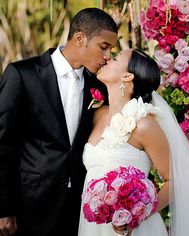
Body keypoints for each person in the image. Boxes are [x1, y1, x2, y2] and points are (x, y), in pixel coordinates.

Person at [78, 48, 189, 236]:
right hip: (92, 226)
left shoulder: (144, 125)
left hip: (135, 229)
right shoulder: (96, 114)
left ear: (127, 76)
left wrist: (136, 215)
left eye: (116, 58)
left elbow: (173, 180)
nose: (107, 58)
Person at [0, 8, 117, 236]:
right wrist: (3, 208)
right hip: (30, 206)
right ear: (80, 38)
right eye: (104, 46)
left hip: (80, 209)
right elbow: (3, 143)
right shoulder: (22, 75)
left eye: (111, 49)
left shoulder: (99, 86)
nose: (108, 56)